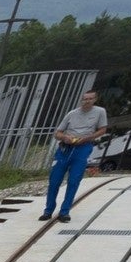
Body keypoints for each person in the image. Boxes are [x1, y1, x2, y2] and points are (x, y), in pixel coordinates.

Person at [42, 88, 108, 222]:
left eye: (90, 99)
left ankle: (64, 211)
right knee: (54, 181)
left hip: (83, 147)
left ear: (94, 99)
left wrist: (88, 137)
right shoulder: (72, 114)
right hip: (65, 148)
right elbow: (58, 133)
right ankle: (48, 210)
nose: (87, 101)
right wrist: (65, 137)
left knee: (74, 181)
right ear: (81, 100)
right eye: (85, 99)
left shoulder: (100, 112)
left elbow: (102, 130)